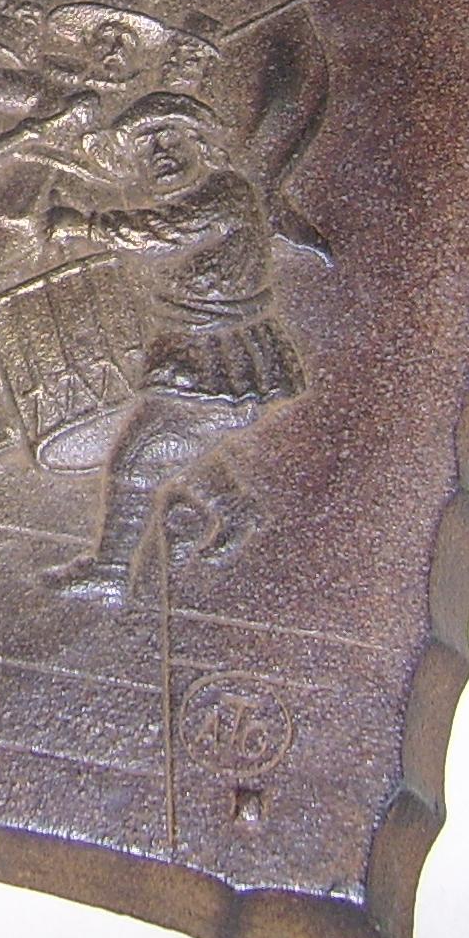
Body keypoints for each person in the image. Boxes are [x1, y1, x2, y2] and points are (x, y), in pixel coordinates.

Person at [39, 92, 300, 602]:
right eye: (146, 145)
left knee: (138, 458)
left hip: (222, 360)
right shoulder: (199, 194)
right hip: (194, 352)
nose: (159, 152)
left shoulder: (224, 193)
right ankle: (236, 510)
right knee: (181, 440)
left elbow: (164, 231)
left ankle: (112, 571)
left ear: (200, 143)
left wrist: (84, 225)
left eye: (169, 138)